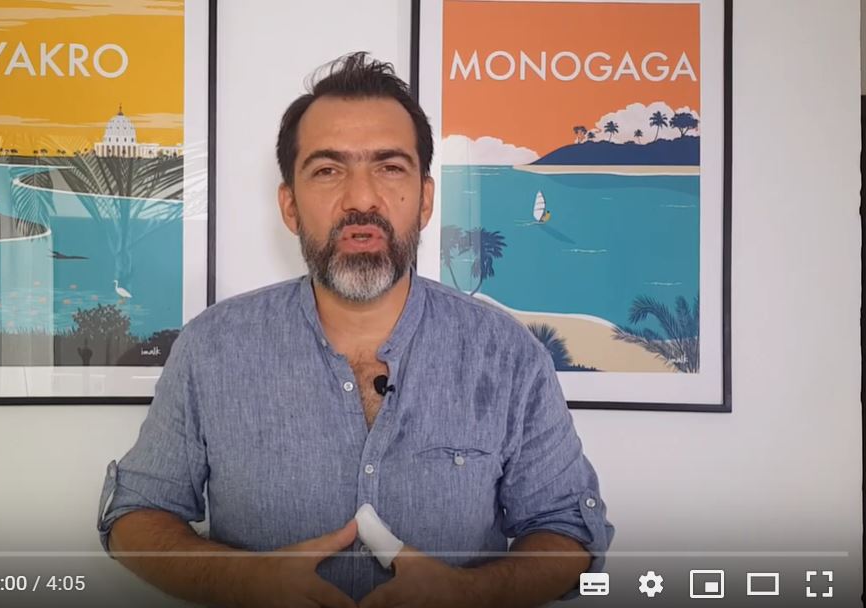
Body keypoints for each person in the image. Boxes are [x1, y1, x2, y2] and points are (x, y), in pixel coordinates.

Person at [98, 52, 613, 608]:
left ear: (425, 200)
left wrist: (472, 593)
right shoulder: (211, 349)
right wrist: (238, 580)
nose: (361, 199)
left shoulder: (508, 355)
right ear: (290, 206)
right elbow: (134, 516)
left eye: (389, 168)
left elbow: (570, 531)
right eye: (328, 170)